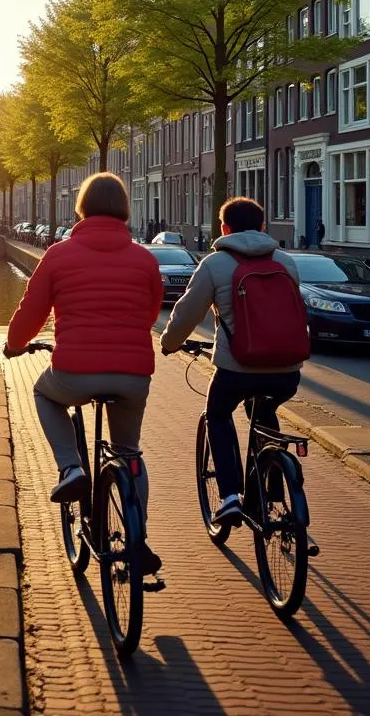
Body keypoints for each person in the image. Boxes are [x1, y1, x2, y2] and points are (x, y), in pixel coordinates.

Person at [3, 172, 165, 572]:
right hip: (133, 374)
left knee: (43, 393)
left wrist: (14, 344)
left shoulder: (58, 255)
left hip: (75, 371)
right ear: (125, 209)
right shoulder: (145, 259)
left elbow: (31, 311)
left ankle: (70, 466)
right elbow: (148, 315)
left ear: (81, 207)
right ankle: (137, 536)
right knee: (129, 454)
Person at [160, 197, 303, 526]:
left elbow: (186, 314)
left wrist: (169, 344)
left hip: (237, 368)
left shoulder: (214, 263)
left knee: (218, 413)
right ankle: (274, 487)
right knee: (265, 410)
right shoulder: (286, 262)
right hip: (286, 372)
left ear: (224, 228)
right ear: (263, 227)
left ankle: (229, 497)